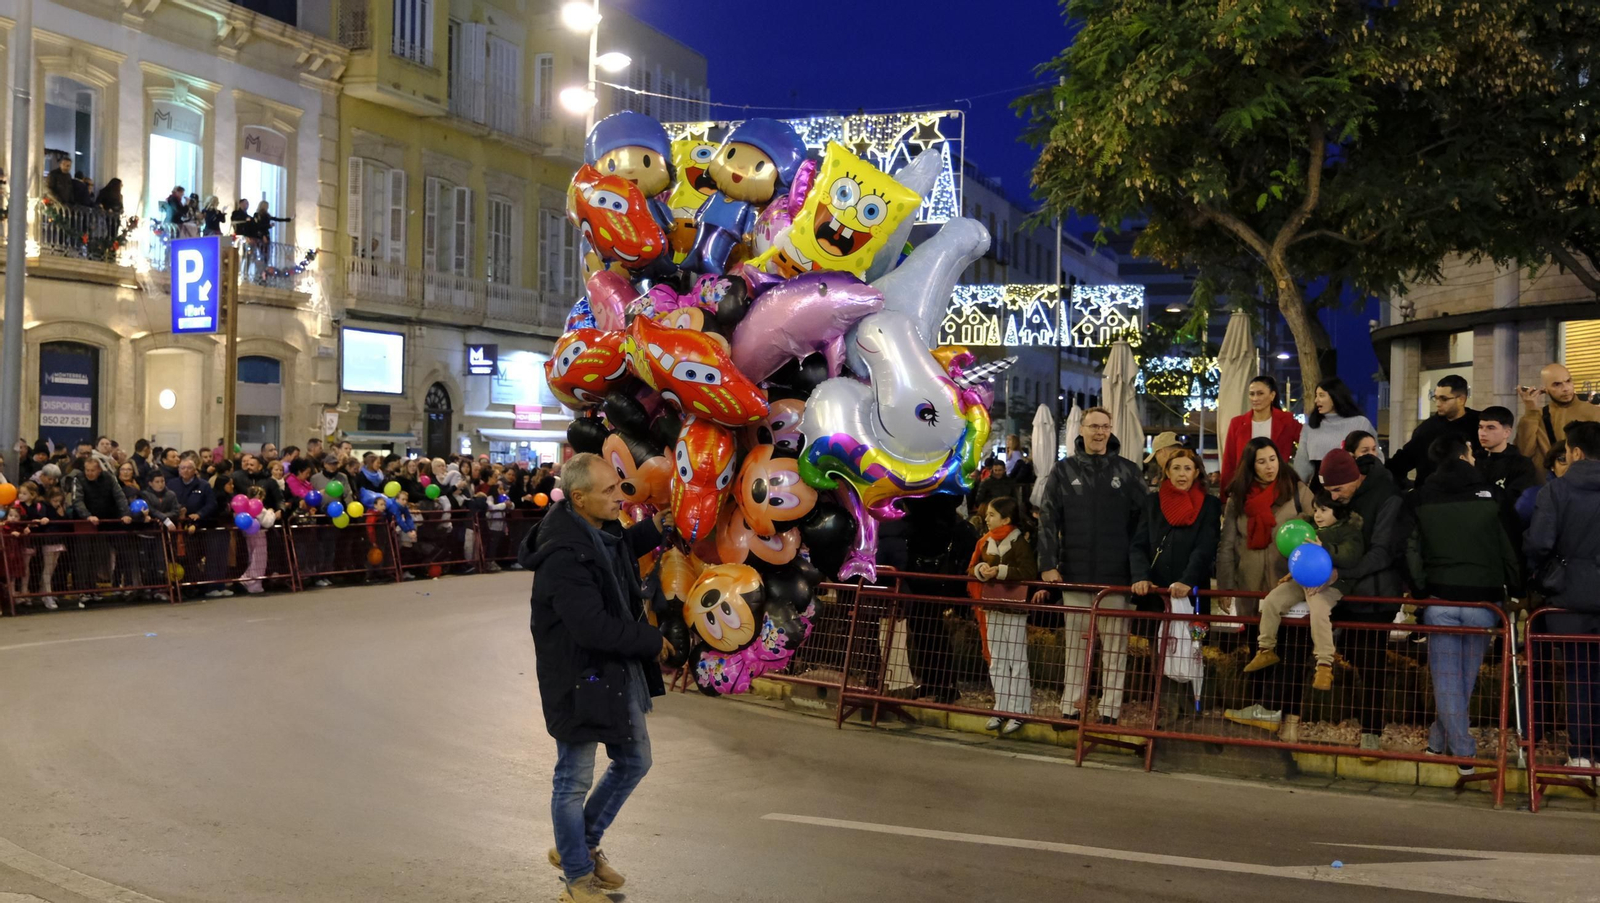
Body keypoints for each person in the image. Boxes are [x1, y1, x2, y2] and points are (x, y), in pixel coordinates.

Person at [520, 453, 672, 903]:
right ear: (580, 498)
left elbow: (620, 553)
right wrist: (650, 640)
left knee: (635, 761)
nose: (620, 498)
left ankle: (577, 848)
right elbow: (591, 626)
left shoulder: (598, 532)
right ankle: (577, 880)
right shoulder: (563, 554)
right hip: (577, 677)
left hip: (609, 673)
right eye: (609, 491)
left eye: (619, 487)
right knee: (573, 778)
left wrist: (656, 527)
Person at [1406, 434, 1520, 773]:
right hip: (1485, 601)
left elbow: (1410, 549)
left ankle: (1440, 741)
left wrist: (1420, 590)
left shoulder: (1420, 498)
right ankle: (1462, 751)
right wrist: (1515, 589)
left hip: (1440, 598)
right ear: (1465, 456)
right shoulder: (1493, 497)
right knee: (1464, 679)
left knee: (1446, 679)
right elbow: (1509, 548)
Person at [1036, 406, 1146, 724]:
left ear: (1111, 430)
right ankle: (1071, 706)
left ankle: (1109, 711)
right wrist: (1047, 564)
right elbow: (1047, 518)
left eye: (1105, 426)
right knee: (1076, 647)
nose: (1099, 432)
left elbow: (1143, 526)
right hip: (1075, 575)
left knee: (1115, 649)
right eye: (1093, 426)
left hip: (1117, 577)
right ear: (1080, 430)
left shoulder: (1128, 471)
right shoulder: (1063, 470)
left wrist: (1137, 571)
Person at [1319, 448, 1409, 754]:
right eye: (1328, 491)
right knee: (1355, 651)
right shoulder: (1348, 495)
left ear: (1355, 478)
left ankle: (1371, 730)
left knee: (1372, 662)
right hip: (1349, 591)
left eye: (1338, 490)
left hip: (1378, 593)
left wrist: (1341, 571)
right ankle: (1365, 721)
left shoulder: (1388, 496)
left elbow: (1383, 550)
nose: (1334, 497)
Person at [1526, 420, 1600, 770]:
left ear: (1576, 452)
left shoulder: (1555, 491)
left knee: (1578, 673)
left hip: (1569, 595)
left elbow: (1540, 542)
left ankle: (1581, 753)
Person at [1244, 491, 1365, 691]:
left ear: (1338, 511)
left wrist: (1324, 548)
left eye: (1323, 510)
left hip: (1330, 585)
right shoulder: (1310, 529)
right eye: (1316, 510)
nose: (1317, 514)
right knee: (1272, 600)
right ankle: (1265, 648)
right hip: (1303, 580)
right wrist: (1294, 572)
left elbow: (1350, 556)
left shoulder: (1349, 532)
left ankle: (1325, 665)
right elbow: (1301, 556)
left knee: (1319, 610)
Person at [1217, 437, 1314, 623]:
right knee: (1256, 645)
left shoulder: (1297, 491)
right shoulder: (1238, 497)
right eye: (1261, 462)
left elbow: (1319, 529)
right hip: (1249, 589)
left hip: (1287, 586)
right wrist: (1225, 587)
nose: (1269, 466)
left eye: (1272, 459)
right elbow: (1227, 545)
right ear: (1251, 466)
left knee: (1290, 645)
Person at [968, 496, 1037, 735]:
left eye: (991, 515)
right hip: (992, 606)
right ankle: (1002, 706)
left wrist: (1001, 571)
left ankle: (1020, 710)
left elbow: (1029, 571)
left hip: (1014, 609)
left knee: (1017, 661)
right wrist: (981, 570)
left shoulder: (1018, 542)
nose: (986, 519)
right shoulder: (985, 542)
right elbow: (972, 567)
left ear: (1006, 519)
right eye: (987, 515)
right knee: (997, 660)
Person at [1130, 448, 1221, 608]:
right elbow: (1138, 544)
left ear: (1196, 472)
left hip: (1191, 591)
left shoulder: (1209, 505)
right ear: (1168, 471)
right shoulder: (1152, 503)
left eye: (1187, 468)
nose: (1182, 474)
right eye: (1176, 468)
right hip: (1154, 591)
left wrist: (1187, 581)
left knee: (1189, 633)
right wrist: (1141, 577)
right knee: (1149, 633)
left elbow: (1205, 547)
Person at [1389, 375, 1482, 487]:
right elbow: (1404, 460)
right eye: (1435, 398)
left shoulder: (1479, 424)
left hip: (1469, 493)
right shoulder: (1426, 428)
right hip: (1430, 493)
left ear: (1461, 399)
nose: (1437, 404)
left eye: (1444, 399)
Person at [1221, 376, 1303, 496]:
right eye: (1252, 394)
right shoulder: (1237, 423)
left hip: (1278, 488)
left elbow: (1308, 441)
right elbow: (1229, 460)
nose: (1255, 398)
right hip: (1246, 489)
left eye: (1260, 394)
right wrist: (1224, 497)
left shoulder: (1287, 421)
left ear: (1272, 395)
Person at [1517, 363, 1600, 480]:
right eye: (1557, 384)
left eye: (1568, 381)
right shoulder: (1537, 416)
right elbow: (1524, 453)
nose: (1565, 388)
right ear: (1544, 389)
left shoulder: (1594, 413)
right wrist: (1531, 412)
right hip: (1548, 486)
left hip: (1587, 485)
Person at [1295, 377, 1375, 481]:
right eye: (1316, 396)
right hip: (1319, 488)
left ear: (1335, 396)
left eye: (1321, 395)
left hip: (1353, 485)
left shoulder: (1360, 423)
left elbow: (1375, 457)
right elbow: (1302, 462)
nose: (1316, 400)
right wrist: (1296, 487)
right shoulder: (1311, 425)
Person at [1477, 406, 1538, 495]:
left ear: (1506, 432)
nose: (1483, 433)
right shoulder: (1473, 460)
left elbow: (1517, 499)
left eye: (1490, 428)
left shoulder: (1521, 465)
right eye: (1480, 427)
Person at [1517, 440, 1569, 526]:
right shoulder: (1533, 496)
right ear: (1552, 466)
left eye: (1575, 462)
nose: (1569, 467)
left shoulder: (1593, 494)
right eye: (1563, 460)